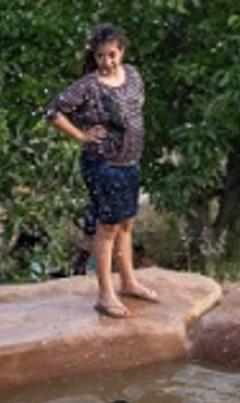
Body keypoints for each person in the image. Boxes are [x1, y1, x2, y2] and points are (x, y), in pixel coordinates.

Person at [45, 23, 157, 319]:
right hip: (103, 165)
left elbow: (137, 104)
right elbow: (53, 111)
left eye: (111, 55)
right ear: (94, 58)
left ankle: (129, 281)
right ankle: (105, 295)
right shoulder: (89, 85)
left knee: (126, 224)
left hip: (130, 162)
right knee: (107, 228)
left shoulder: (132, 75)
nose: (106, 62)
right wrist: (81, 136)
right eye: (100, 56)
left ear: (122, 51)